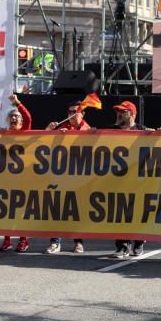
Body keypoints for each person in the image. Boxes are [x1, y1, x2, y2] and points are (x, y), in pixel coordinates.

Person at [45, 100, 89, 253]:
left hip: (78, 177)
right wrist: (49, 131)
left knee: (75, 210)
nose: (71, 114)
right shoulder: (62, 128)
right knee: (57, 209)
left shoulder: (88, 129)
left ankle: (78, 242)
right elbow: (43, 145)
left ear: (82, 114)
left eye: (74, 111)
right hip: (60, 176)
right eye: (69, 112)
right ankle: (55, 242)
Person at [110, 101, 150, 259]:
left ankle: (139, 243)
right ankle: (121, 246)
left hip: (139, 180)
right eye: (118, 111)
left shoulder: (143, 130)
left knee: (139, 211)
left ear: (132, 114)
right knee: (120, 213)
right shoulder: (111, 130)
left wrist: (160, 133)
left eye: (123, 112)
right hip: (119, 180)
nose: (119, 114)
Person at [0, 94, 32, 253]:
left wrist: (17, 103)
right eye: (11, 116)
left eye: (16, 117)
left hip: (23, 179)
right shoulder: (3, 135)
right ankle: (7, 240)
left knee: (20, 211)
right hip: (6, 178)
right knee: (6, 211)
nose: (14, 119)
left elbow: (27, 116)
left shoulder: (25, 132)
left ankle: (23, 240)